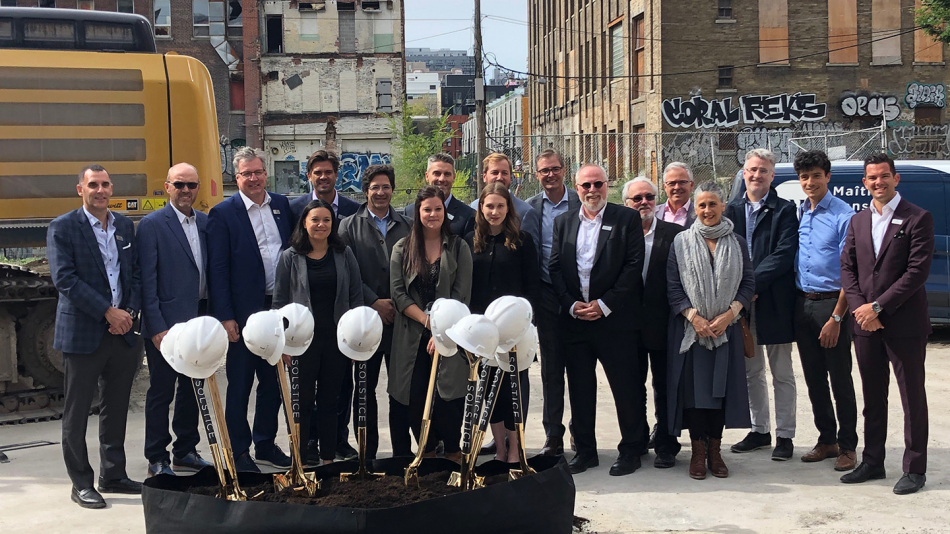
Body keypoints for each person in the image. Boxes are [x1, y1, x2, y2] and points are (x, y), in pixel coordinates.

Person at [48, 164, 144, 508]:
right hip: (84, 333)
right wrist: (107, 311)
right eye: (93, 185)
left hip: (123, 334)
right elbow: (65, 279)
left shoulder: (124, 225)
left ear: (111, 188)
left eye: (105, 184)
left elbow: (134, 274)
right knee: (76, 414)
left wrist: (127, 314)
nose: (100, 190)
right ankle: (81, 483)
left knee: (116, 408)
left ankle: (113, 474)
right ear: (80, 189)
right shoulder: (63, 227)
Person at [840, 154, 933, 495]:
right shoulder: (858, 221)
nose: (878, 182)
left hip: (904, 324)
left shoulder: (917, 218)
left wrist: (879, 306)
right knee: (872, 397)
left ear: (896, 179)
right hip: (865, 325)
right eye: (872, 178)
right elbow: (847, 269)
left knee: (912, 398)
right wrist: (860, 309)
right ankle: (873, 461)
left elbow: (916, 272)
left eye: (884, 176)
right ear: (864, 182)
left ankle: (914, 468)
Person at [549, 164, 646, 477]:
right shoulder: (563, 222)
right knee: (580, 388)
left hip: (615, 320)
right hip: (576, 321)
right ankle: (586, 452)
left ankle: (631, 449)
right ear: (576, 188)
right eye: (585, 185)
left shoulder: (626, 218)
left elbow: (633, 267)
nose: (592, 191)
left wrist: (604, 305)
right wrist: (571, 304)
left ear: (607, 185)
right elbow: (554, 268)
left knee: (625, 387)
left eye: (598, 184)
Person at [207, 147, 294, 472]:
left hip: (276, 311)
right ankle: (238, 452)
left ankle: (265, 444)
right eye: (247, 173)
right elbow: (218, 269)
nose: (254, 178)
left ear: (265, 172)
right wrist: (225, 316)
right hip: (242, 316)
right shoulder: (223, 213)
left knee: (273, 384)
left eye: (258, 172)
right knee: (240, 386)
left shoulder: (282, 206)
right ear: (236, 177)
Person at [667, 181, 754, 480]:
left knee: (719, 394)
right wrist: (695, 318)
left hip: (724, 331)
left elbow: (748, 283)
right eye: (701, 205)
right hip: (693, 334)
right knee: (694, 395)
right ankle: (698, 452)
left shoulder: (738, 243)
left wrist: (729, 313)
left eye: (712, 204)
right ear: (695, 207)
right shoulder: (680, 242)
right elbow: (673, 286)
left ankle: (715, 451)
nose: (707, 210)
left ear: (723, 206)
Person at [273, 199, 363, 465]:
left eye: (326, 220)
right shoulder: (290, 257)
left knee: (329, 402)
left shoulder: (343, 254)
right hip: (301, 343)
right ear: (305, 223)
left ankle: (327, 461)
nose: (321, 225)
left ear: (332, 223)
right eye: (315, 220)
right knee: (301, 402)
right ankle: (299, 461)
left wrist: (356, 341)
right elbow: (279, 303)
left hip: (336, 341)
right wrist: (283, 345)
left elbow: (355, 297)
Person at [137, 163, 213, 477]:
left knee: (193, 390)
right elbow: (146, 280)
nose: (185, 191)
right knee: (161, 392)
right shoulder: (152, 225)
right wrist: (156, 327)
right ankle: (157, 456)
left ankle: (185, 450)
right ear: (167, 186)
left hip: (199, 321)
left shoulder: (208, 223)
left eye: (191, 185)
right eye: (179, 185)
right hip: (166, 326)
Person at [724, 149, 799, 461]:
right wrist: (741, 289)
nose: (756, 176)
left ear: (772, 176)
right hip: (743, 305)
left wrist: (752, 283)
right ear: (744, 173)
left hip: (775, 302)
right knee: (751, 371)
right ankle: (760, 430)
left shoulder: (784, 210)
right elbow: (726, 252)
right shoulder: (731, 210)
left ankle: (785, 435)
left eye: (763, 171)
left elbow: (784, 254)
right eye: (752, 170)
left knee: (782, 372)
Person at [389, 185, 473, 462]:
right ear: (418, 212)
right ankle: (425, 450)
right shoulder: (403, 248)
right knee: (414, 395)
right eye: (427, 210)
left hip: (450, 334)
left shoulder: (459, 246)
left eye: (438, 209)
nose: (433, 214)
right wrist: (428, 323)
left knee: (449, 395)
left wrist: (441, 331)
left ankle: (451, 451)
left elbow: (462, 294)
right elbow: (398, 294)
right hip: (411, 335)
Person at [338, 164, 413, 458]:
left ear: (392, 190)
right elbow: (348, 273)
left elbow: (411, 269)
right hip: (365, 322)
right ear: (365, 190)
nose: (380, 193)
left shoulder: (408, 225)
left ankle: (402, 453)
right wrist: (373, 302)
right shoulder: (347, 226)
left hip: (401, 320)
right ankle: (367, 455)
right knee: (364, 391)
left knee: (400, 390)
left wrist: (397, 302)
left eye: (385, 187)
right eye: (374, 188)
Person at [792, 150, 858, 472]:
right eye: (804, 177)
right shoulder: (802, 212)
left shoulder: (843, 215)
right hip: (803, 303)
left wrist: (836, 316)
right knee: (814, 379)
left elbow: (851, 271)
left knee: (840, 379)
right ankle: (827, 440)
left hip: (833, 305)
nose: (810, 182)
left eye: (816, 175)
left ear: (828, 177)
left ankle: (848, 446)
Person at [465, 182, 540, 463]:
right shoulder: (470, 240)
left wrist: (529, 325)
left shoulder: (523, 240)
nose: (494, 212)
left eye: (500, 206)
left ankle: (514, 450)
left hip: (514, 331)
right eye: (489, 206)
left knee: (514, 391)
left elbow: (533, 287)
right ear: (480, 208)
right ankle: (498, 449)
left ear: (508, 208)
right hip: (482, 332)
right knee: (487, 393)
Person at [622, 177, 684, 469]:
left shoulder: (676, 234)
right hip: (628, 325)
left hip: (665, 323)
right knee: (632, 388)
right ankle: (635, 443)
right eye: (637, 198)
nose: (644, 202)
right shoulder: (618, 234)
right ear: (626, 204)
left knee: (665, 386)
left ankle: (667, 444)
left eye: (649, 197)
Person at [526, 149, 581, 457]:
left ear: (564, 170)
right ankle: (553, 435)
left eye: (555, 168)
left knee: (580, 369)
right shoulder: (531, 208)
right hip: (546, 296)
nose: (550, 174)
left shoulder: (580, 201)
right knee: (550, 371)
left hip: (578, 297)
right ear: (537, 175)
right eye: (544, 170)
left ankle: (580, 433)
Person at [469, 152, 541, 251]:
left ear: (511, 177)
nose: (500, 177)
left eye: (504, 173)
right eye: (495, 172)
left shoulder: (526, 212)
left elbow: (531, 255)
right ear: (484, 176)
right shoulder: (473, 207)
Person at [403, 153, 476, 237]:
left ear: (454, 177)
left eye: (447, 174)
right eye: (437, 173)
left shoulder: (468, 216)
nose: (442, 179)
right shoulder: (409, 212)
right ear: (427, 176)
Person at [290, 150, 360, 221]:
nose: (323, 177)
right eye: (318, 173)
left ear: (336, 175)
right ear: (309, 176)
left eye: (328, 172)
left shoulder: (355, 210)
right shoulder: (294, 208)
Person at [655, 162, 696, 227]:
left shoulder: (700, 214)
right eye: (672, 183)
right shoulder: (654, 214)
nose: (677, 187)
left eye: (682, 182)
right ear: (665, 187)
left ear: (691, 185)